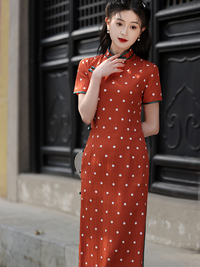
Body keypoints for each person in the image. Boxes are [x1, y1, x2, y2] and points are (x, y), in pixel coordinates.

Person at [74, 0, 162, 266]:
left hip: (131, 162)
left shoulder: (148, 71)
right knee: (96, 236)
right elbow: (86, 116)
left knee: (126, 234)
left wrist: (123, 139)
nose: (125, 31)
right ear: (107, 22)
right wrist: (98, 76)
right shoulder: (87, 66)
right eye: (120, 23)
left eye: (133, 26)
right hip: (97, 161)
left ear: (141, 31)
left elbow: (153, 125)